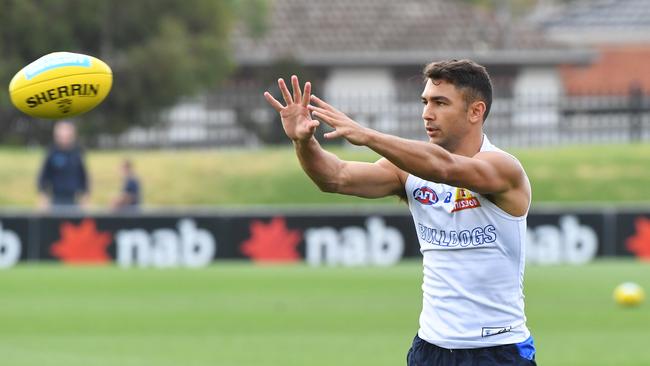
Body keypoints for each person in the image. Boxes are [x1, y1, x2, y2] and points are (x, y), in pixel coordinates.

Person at [264, 59, 536, 366]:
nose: (427, 113)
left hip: (497, 350)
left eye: (440, 103)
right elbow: (335, 177)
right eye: (425, 102)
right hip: (430, 349)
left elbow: (444, 168)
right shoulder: (408, 169)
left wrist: (367, 135)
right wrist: (304, 142)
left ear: (476, 111)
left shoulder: (503, 167)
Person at [37, 120, 89, 211]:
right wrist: (43, 198)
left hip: (74, 200)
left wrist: (85, 197)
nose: (65, 135)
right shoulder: (52, 152)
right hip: (56, 200)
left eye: (68, 132)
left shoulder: (77, 153)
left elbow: (83, 177)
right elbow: (43, 177)